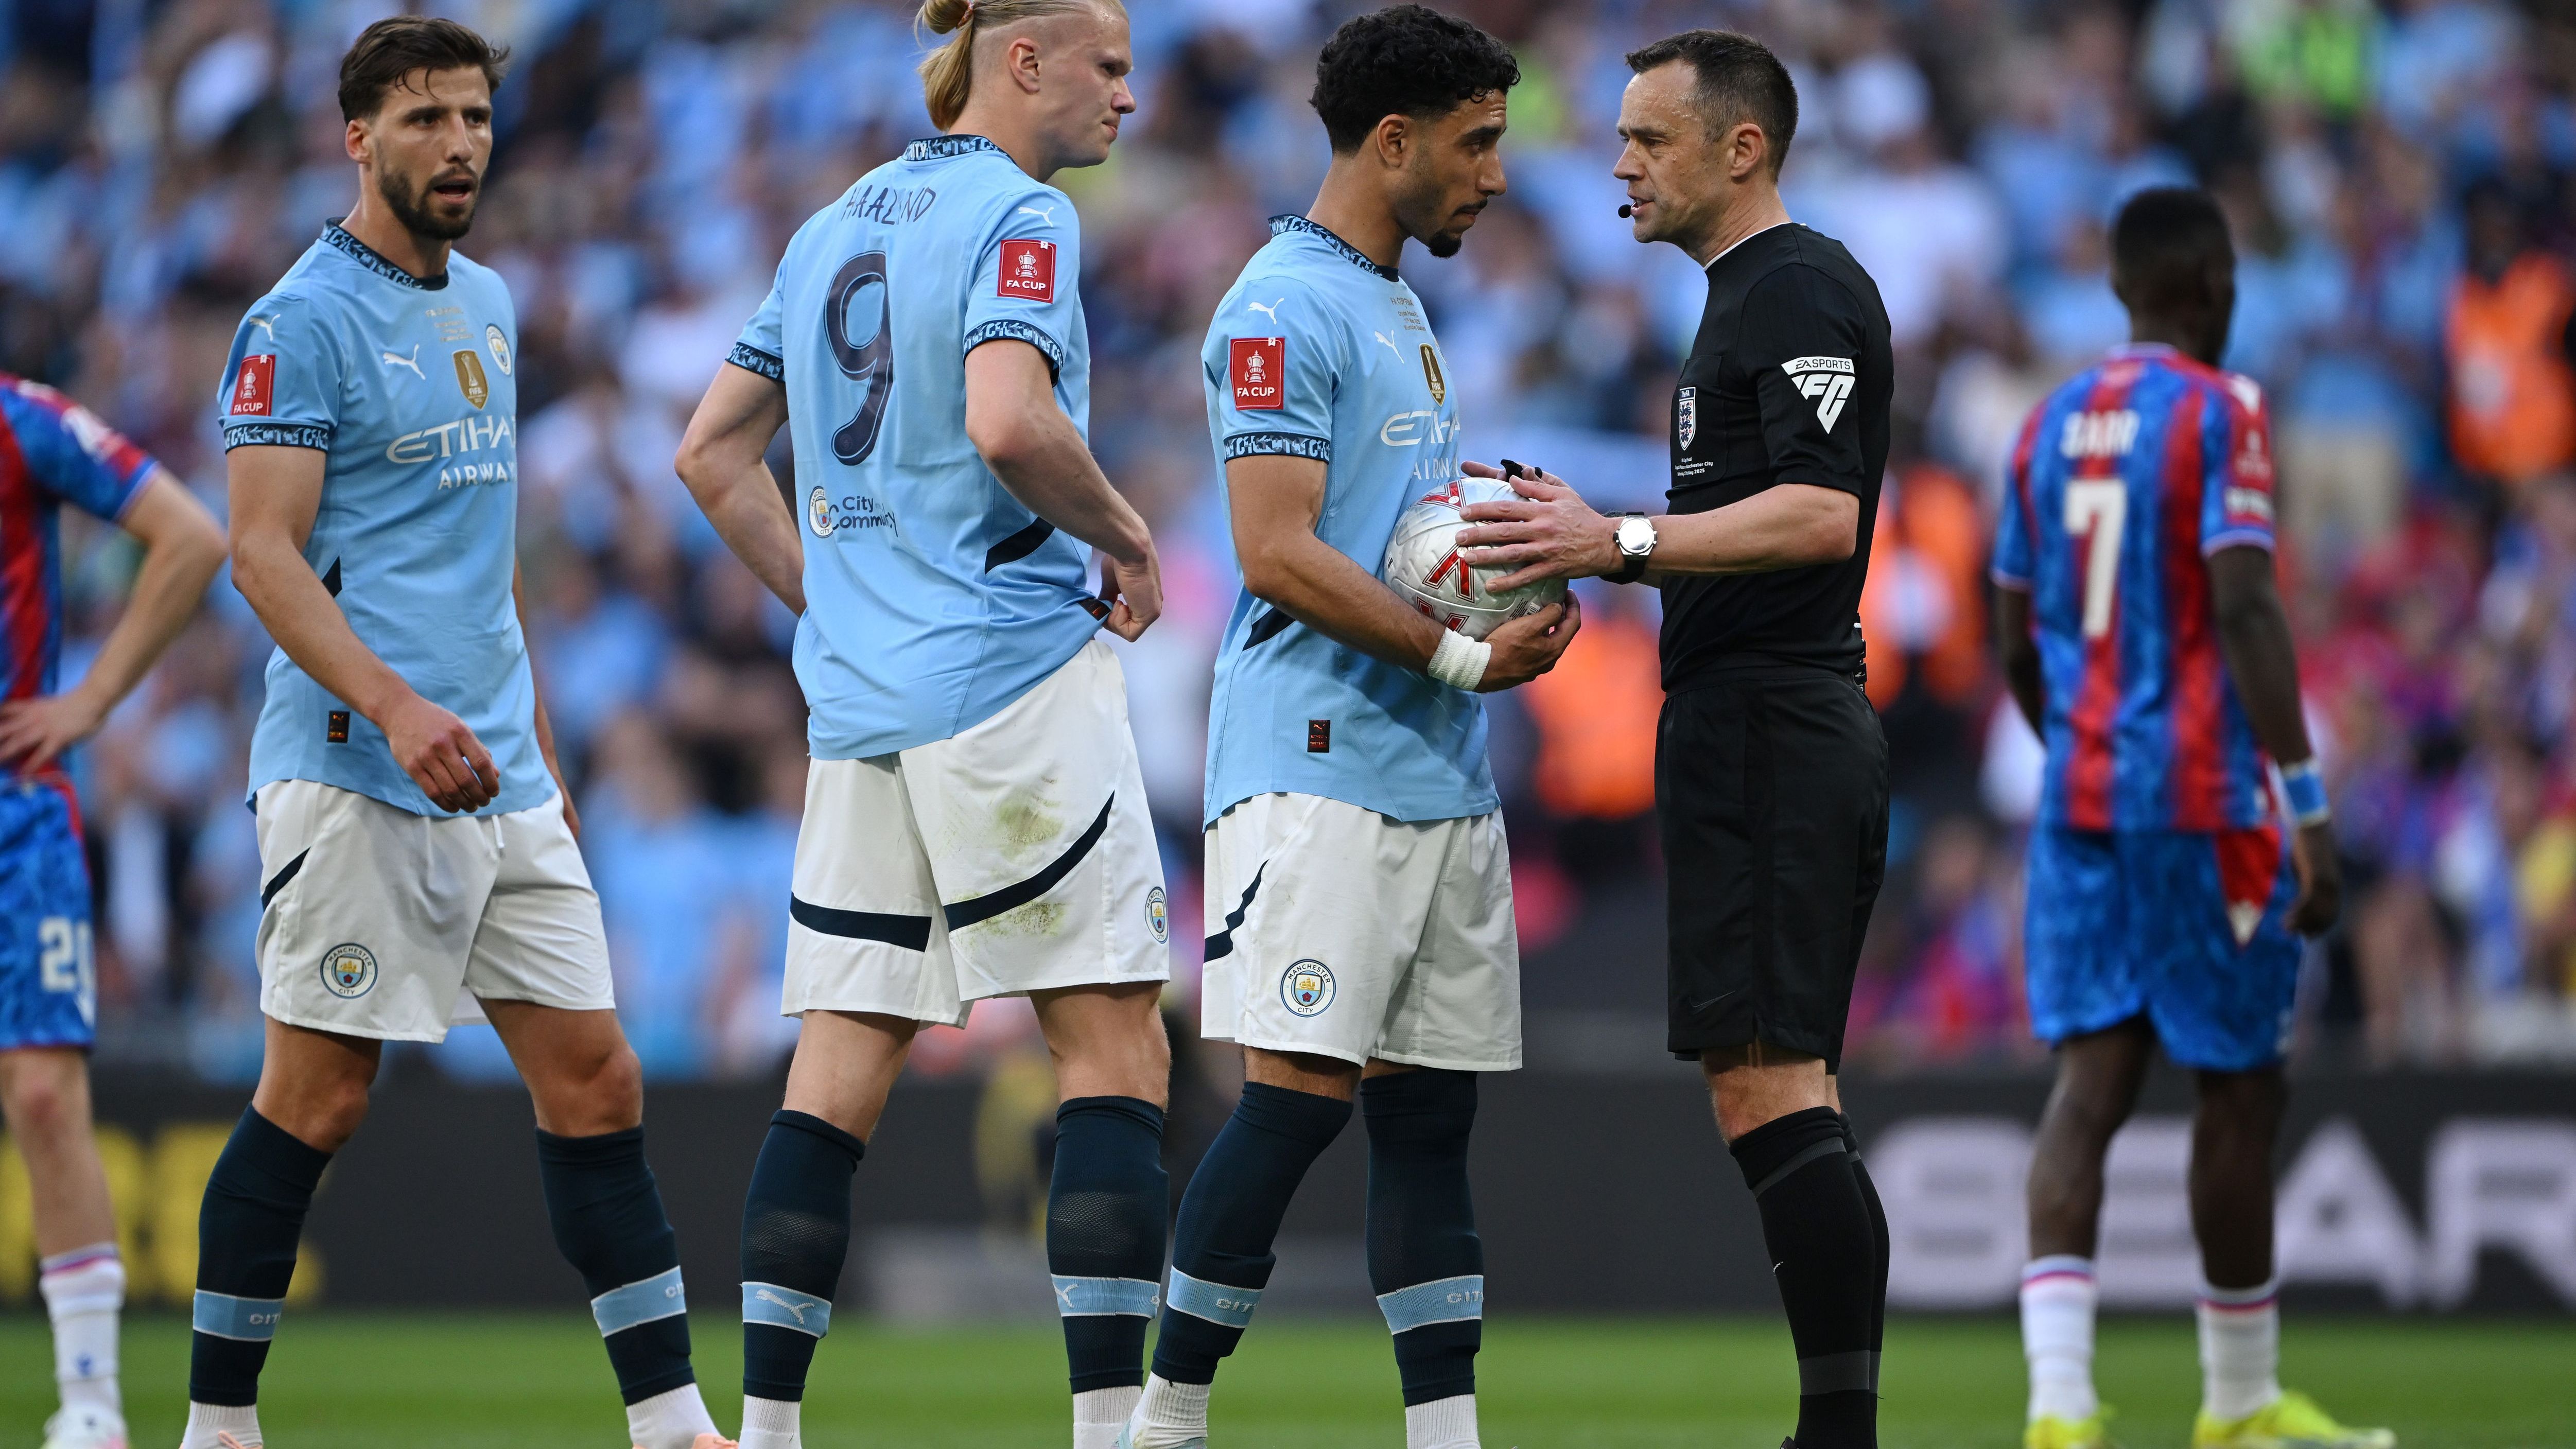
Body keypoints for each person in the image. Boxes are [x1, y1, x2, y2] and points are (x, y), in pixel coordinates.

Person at [198, 19, 728, 1449]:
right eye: (426, 119)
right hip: (357, 768)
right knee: (316, 1098)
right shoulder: (296, 323)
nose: (460, 146)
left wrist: (534, 737)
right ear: (356, 137)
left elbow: (480, 559)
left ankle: (674, 1424)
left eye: (477, 118)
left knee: (597, 1078)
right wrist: (395, 703)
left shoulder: (488, 303)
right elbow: (261, 555)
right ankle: (217, 1428)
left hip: (501, 775)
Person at [672, 4, 1169, 1447]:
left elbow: (708, 452)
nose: (1128, 99)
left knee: (835, 1072)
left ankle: (763, 1434)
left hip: (861, 709)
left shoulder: (829, 222)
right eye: (1109, 67)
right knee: (1111, 1050)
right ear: (1025, 61)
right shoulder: (1021, 216)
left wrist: (835, 609)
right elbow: (1009, 421)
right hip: (1006, 683)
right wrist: (1129, 535)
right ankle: (1106, 1433)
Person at [1123, 11, 1573, 1449]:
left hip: (1436, 768)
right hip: (1315, 767)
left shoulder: (1399, 304)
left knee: (1428, 1121)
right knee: (1296, 1099)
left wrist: (1509, 563)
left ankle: (1444, 1437)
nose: (1496, 176)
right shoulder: (1275, 306)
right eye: (1478, 142)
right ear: (1395, 143)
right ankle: (1163, 1423)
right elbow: (1272, 549)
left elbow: (1397, 539)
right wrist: (1457, 645)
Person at [1451, 29, 1894, 1449]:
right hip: (1736, 721)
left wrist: (1621, 539)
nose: (1620, 163)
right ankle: (1835, 1425)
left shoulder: (1800, 288)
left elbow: (1824, 517)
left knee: (1769, 1077)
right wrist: (1593, 529)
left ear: (1740, 148)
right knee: (1768, 1080)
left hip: (1776, 721)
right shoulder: (1734, 302)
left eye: (1648, 139)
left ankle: (1837, 1431)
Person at [1989, 186, 2392, 1449]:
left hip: (2084, 802)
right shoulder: (2226, 411)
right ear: (2213, 282)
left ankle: (2060, 1407)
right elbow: (2248, 605)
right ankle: (2239, 1401)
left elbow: (2012, 634)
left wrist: (2079, 745)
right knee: (2239, 1085)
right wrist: (2307, 799)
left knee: (2088, 1088)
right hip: (2208, 800)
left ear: (2119, 289)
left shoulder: (2046, 422)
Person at [0, 376, 224, 1449]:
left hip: (16, 814)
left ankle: (89, 1404)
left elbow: (188, 535)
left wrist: (92, 700)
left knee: (43, 1095)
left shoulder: (23, 422)